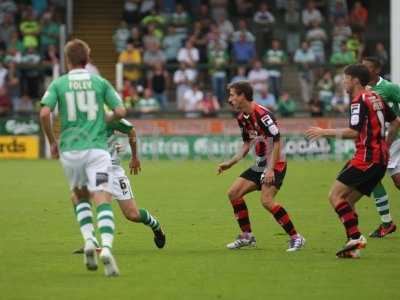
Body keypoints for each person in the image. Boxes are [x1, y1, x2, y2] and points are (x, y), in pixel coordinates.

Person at [40, 39, 127, 276]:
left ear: (67, 60)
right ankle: (106, 247)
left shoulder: (59, 83)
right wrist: (104, 119)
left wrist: (51, 142)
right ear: (87, 60)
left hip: (70, 150)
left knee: (78, 196)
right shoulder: (99, 81)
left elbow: (44, 112)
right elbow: (120, 111)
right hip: (97, 149)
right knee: (102, 196)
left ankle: (89, 240)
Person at [305, 64, 400, 258]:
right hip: (380, 160)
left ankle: (355, 238)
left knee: (334, 196)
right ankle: (353, 246)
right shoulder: (376, 97)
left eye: (346, 78)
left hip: (366, 158)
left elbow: (352, 132)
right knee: (347, 201)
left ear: (355, 80)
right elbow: (397, 121)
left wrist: (324, 132)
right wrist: (386, 144)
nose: (343, 82)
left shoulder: (359, 100)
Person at [217, 81, 306, 251]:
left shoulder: (263, 115)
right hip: (260, 164)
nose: (230, 99)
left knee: (266, 201)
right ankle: (247, 236)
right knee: (234, 193)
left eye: (232, 95)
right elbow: (247, 143)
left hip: (276, 162)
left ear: (243, 96)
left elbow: (278, 140)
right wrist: (230, 162)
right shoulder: (242, 117)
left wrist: (271, 169)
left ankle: (296, 237)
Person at [73, 118, 166, 254]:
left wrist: (134, 157)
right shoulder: (81, 116)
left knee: (132, 214)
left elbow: (131, 131)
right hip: (95, 168)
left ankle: (156, 226)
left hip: (111, 170)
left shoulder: (108, 116)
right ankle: (91, 241)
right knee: (78, 196)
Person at [362, 57, 400, 237]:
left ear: (376, 70)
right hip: (377, 141)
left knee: (372, 176)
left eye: (367, 67)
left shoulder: (389, 88)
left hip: (393, 140)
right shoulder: (361, 89)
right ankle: (387, 223)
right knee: (395, 181)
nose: (363, 69)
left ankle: (387, 223)